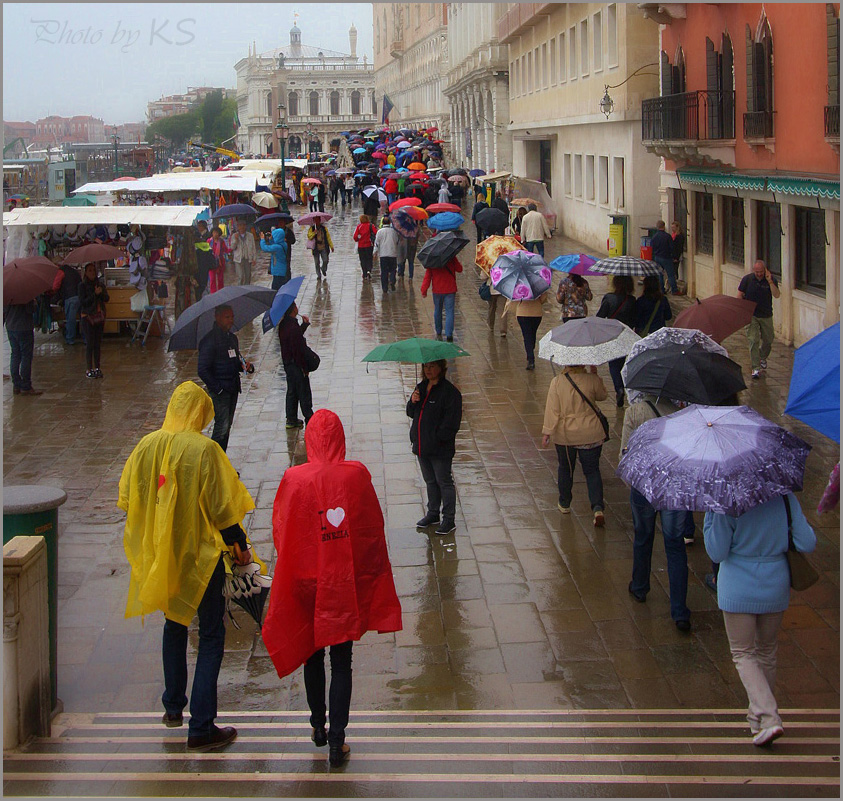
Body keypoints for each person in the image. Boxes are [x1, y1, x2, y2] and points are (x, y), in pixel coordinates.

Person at [118, 380, 255, 753]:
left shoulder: (146, 445)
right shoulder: (204, 449)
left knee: (175, 623)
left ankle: (173, 707)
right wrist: (239, 546)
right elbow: (222, 508)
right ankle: (203, 726)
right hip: (202, 556)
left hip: (166, 553)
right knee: (211, 633)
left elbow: (129, 496)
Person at [262, 409, 402, 767]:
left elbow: (282, 529)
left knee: (312, 652)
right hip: (342, 581)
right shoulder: (356, 476)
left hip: (308, 580)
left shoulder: (294, 479)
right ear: (340, 438)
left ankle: (318, 727)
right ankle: (338, 740)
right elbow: (371, 530)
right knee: (342, 661)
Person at [704, 493, 816, 746]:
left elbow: (717, 551)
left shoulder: (725, 502)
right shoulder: (785, 499)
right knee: (767, 652)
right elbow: (807, 542)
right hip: (775, 583)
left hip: (738, 587)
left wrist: (710, 518)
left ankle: (768, 716)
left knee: (743, 653)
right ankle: (757, 721)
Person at [620, 394, 693, 631]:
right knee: (675, 544)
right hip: (675, 487)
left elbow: (625, 453)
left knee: (643, 536)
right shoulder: (682, 413)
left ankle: (640, 587)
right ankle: (679, 610)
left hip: (644, 484)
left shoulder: (634, 412)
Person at [541, 364, 607, 526]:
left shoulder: (557, 382)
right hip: (591, 433)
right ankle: (597, 507)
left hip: (566, 435)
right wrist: (596, 375)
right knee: (592, 471)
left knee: (565, 469)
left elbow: (552, 410)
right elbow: (603, 396)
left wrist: (547, 432)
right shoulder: (591, 379)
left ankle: (564, 503)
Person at [406, 360, 463, 536]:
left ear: (441, 368)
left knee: (443, 482)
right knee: (430, 481)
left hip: (439, 449)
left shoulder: (449, 392)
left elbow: (452, 423)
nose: (428, 370)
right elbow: (410, 412)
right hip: (421, 446)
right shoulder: (421, 387)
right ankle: (432, 513)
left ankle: (448, 519)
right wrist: (413, 401)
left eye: (432, 366)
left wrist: (438, 438)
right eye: (425, 367)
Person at [197, 304, 254, 452]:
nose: (230, 320)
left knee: (226, 427)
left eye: (232, 317)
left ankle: (221, 462)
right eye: (227, 317)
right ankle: (214, 462)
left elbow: (235, 361)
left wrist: (245, 366)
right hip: (221, 391)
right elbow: (202, 370)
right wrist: (218, 389)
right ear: (218, 318)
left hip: (233, 388)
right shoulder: (209, 341)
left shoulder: (232, 339)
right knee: (221, 427)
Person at [596, 275, 637, 407]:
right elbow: (634, 319)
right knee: (624, 363)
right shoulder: (631, 300)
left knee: (613, 365)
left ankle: (618, 388)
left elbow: (600, 316)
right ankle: (625, 386)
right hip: (627, 334)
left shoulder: (609, 298)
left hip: (612, 334)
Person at [738, 259, 780, 380]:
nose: (759, 274)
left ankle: (762, 357)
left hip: (766, 315)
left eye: (761, 271)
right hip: (752, 315)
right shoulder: (747, 279)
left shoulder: (771, 279)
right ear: (753, 270)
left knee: (768, 339)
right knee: (753, 340)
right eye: (757, 272)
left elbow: (776, 295)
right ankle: (755, 367)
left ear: (765, 270)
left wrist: (770, 281)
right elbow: (739, 294)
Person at [277, 301, 316, 429]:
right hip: (296, 365)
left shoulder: (285, 324)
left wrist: (304, 326)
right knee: (303, 391)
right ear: (293, 309)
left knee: (292, 391)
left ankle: (291, 418)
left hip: (288, 364)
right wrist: (304, 368)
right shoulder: (292, 327)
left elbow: (295, 337)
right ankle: (309, 418)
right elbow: (297, 350)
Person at [4, 298, 41, 395]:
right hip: (24, 328)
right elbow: (30, 310)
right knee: (26, 356)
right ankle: (26, 386)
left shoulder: (7, 294)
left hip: (11, 327)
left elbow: (4, 311)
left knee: (15, 355)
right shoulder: (25, 294)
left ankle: (16, 385)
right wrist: (34, 302)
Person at [504, 290, 549, 370]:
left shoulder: (519, 284)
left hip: (522, 312)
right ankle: (530, 351)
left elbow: (514, 298)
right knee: (532, 334)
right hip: (536, 312)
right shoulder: (539, 285)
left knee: (527, 335)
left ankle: (530, 358)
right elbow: (543, 298)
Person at [420, 255, 462, 341]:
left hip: (437, 290)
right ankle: (449, 334)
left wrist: (424, 290)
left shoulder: (432, 259)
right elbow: (459, 269)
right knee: (449, 312)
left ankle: (438, 331)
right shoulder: (451, 257)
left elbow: (428, 276)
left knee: (438, 310)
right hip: (450, 289)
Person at [78, 262, 109, 379]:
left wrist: (100, 293)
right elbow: (83, 302)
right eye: (90, 270)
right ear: (86, 273)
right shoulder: (82, 286)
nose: (92, 273)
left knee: (97, 343)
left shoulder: (99, 284)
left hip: (99, 317)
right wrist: (94, 295)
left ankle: (97, 367)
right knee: (90, 343)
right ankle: (89, 368)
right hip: (88, 318)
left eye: (93, 270)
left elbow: (106, 298)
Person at [51, 261, 83, 345]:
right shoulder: (74, 271)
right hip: (80, 297)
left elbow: (55, 286)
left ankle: (70, 339)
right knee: (83, 319)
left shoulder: (61, 272)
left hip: (70, 297)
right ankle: (86, 338)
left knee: (70, 320)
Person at [372, 215, 403, 293]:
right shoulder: (394, 231)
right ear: (390, 222)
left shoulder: (380, 232)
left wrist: (374, 252)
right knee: (393, 269)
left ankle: (384, 287)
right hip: (392, 253)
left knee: (384, 271)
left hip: (383, 254)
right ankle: (392, 280)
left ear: (382, 222)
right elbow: (397, 241)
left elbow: (376, 243)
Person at [651, 220, 679, 295]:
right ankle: (674, 290)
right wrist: (674, 256)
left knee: (660, 274)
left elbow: (652, 248)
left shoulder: (654, 237)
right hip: (666, 258)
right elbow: (672, 248)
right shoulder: (667, 236)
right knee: (670, 274)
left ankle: (662, 290)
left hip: (657, 257)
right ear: (664, 226)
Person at [229, 219, 257, 286]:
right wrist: (235, 240)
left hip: (248, 258)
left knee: (248, 276)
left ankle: (247, 290)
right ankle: (240, 291)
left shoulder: (250, 235)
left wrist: (254, 259)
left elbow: (253, 247)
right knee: (240, 276)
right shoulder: (234, 236)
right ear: (237, 227)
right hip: (238, 259)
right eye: (240, 225)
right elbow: (232, 247)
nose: (242, 227)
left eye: (243, 225)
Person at [353, 214, 378, 280]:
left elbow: (355, 237)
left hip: (361, 246)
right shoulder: (371, 225)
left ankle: (364, 273)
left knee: (363, 259)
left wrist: (358, 239)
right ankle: (369, 270)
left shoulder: (359, 226)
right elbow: (376, 233)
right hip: (369, 245)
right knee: (369, 258)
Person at [208, 227, 230, 294]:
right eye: (214, 232)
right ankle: (213, 293)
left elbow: (226, 250)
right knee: (212, 279)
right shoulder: (209, 241)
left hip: (220, 263)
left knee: (220, 279)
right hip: (211, 263)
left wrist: (233, 248)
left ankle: (221, 293)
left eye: (217, 233)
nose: (215, 234)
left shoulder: (221, 241)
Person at [671, 220, 686, 286]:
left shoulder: (679, 236)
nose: (672, 229)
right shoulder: (674, 235)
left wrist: (676, 257)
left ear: (677, 227)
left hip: (676, 256)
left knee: (675, 270)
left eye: (673, 227)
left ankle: (676, 283)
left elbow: (679, 247)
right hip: (673, 255)